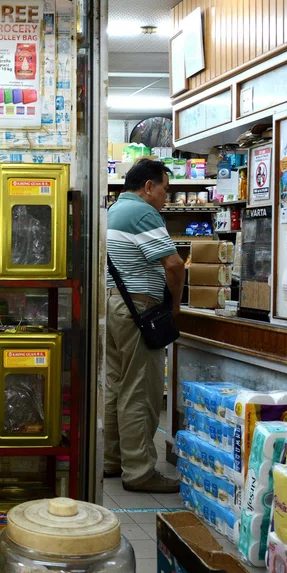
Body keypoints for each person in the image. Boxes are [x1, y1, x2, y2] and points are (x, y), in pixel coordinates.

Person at [104, 159, 185, 493]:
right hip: (138, 308)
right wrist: (174, 307)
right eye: (165, 189)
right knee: (141, 390)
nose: (166, 198)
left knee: (115, 384)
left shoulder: (113, 210)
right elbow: (175, 264)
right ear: (148, 186)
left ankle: (110, 460)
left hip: (112, 306)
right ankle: (139, 471)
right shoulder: (142, 212)